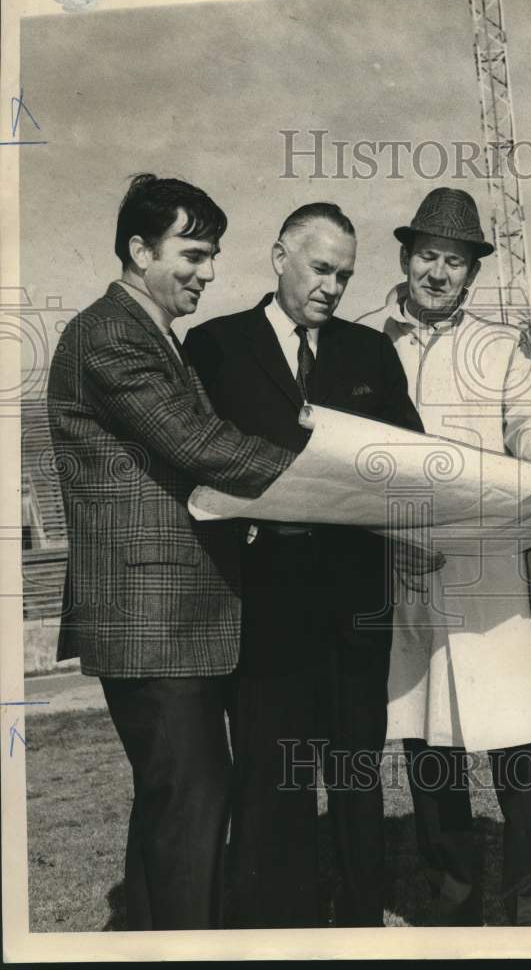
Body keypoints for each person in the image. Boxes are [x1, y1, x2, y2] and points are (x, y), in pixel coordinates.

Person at [46, 174, 296, 930]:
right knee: (192, 804)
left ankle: (152, 940)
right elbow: (197, 444)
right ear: (137, 248)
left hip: (177, 621)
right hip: (151, 621)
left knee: (176, 804)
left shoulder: (155, 337)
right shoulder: (111, 335)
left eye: (214, 254)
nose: (208, 271)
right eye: (192, 252)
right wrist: (322, 475)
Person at [359, 187, 531, 925]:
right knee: (430, 743)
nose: (438, 273)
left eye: (454, 262)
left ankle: (530, 900)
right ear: (405, 256)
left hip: (491, 568)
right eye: (428, 255)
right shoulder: (362, 339)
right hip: (400, 568)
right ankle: (453, 892)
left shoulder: (497, 345)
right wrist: (383, 535)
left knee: (519, 740)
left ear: (471, 275)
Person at [183, 202, 422, 928]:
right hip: (263, 604)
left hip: (355, 601)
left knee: (355, 774)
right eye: (321, 269)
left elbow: (408, 455)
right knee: (271, 775)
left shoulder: (369, 353)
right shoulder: (214, 345)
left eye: (345, 276)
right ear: (279, 254)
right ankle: (278, 923)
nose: (332, 287)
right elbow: (194, 461)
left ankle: (359, 918)